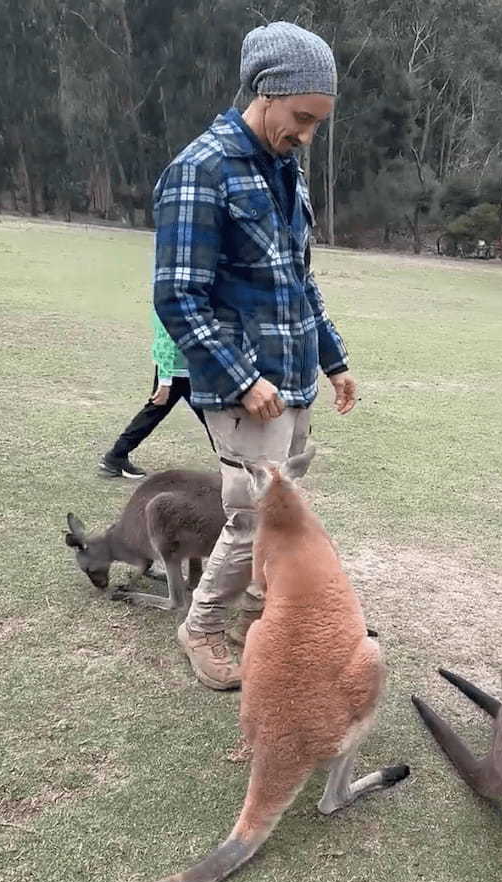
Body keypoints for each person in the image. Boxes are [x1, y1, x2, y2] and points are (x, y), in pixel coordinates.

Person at [154, 20, 357, 690]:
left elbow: (300, 280)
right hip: (244, 389)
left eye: (317, 122)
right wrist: (243, 380)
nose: (307, 135)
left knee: (285, 507)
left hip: (295, 379)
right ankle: (202, 628)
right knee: (251, 520)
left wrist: (334, 360)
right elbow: (179, 296)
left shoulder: (284, 171)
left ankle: (259, 617)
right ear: (266, 93)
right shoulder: (200, 170)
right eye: (301, 117)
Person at [98, 309, 214, 478]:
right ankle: (116, 456)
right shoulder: (172, 297)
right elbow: (166, 339)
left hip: (186, 370)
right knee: (211, 417)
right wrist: (165, 380)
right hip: (177, 372)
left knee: (208, 417)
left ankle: (116, 456)